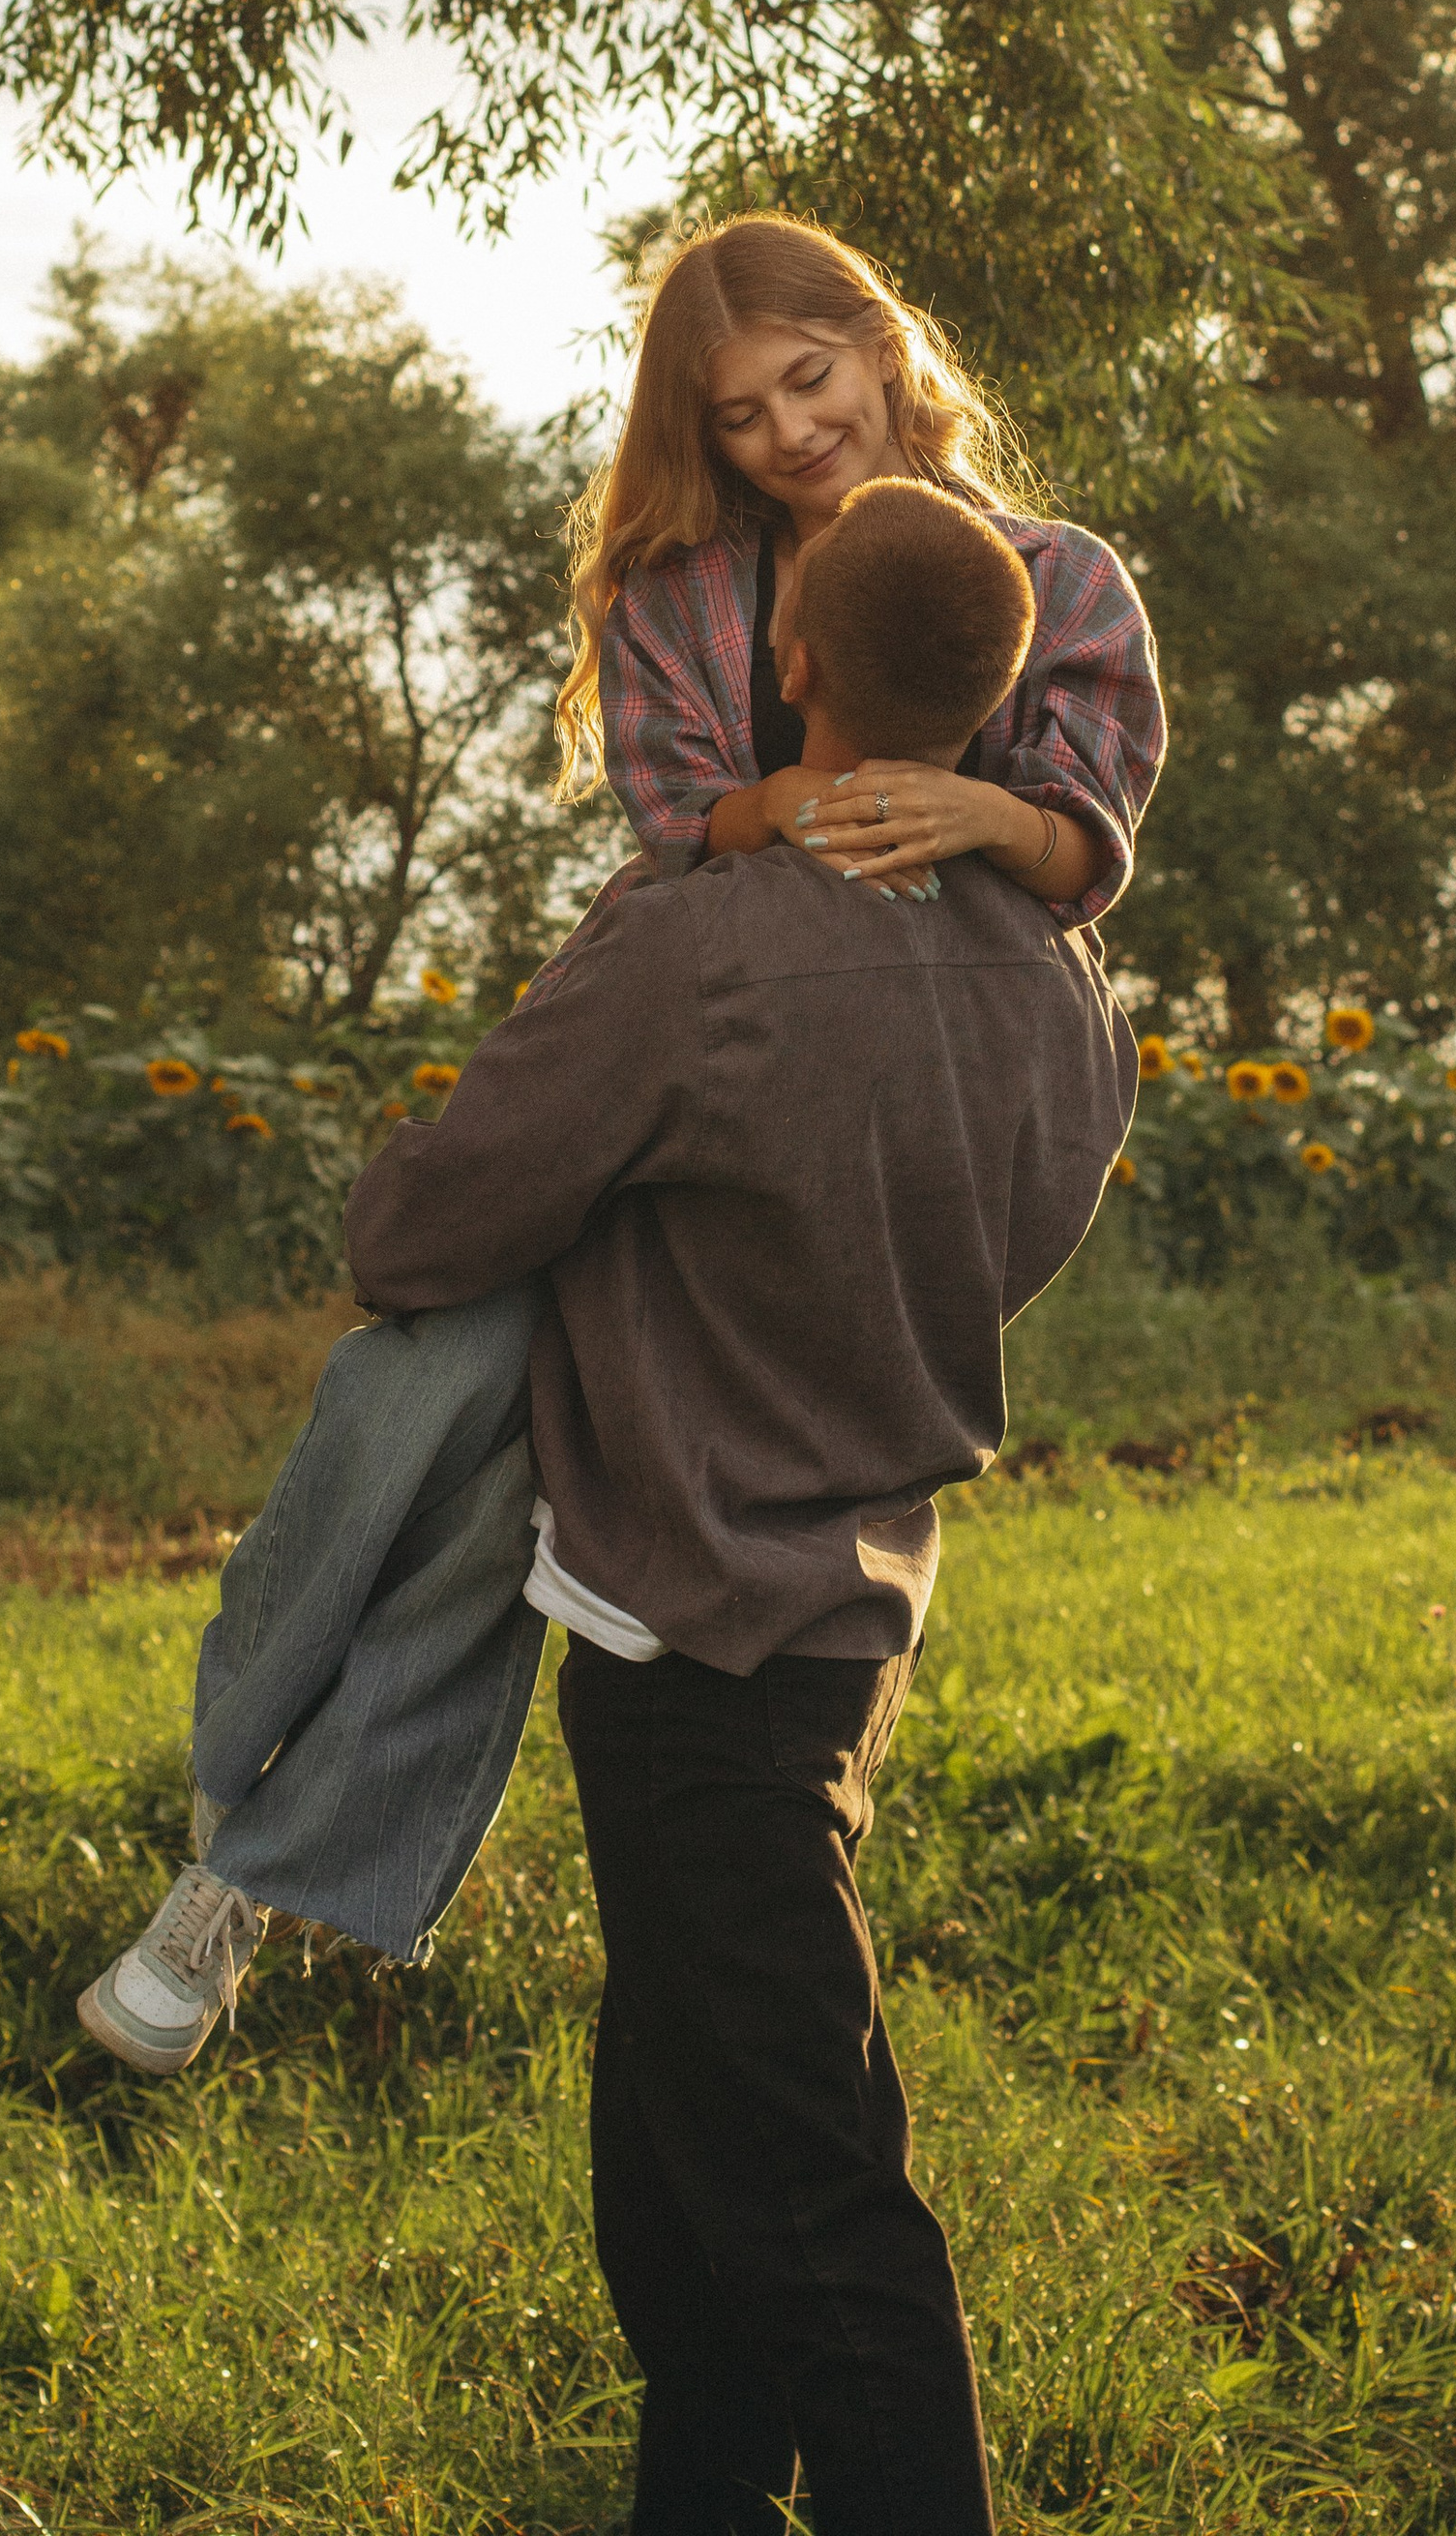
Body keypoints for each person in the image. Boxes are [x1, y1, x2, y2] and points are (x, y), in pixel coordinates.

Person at [76, 217, 1161, 2072]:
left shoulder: (1055, 579)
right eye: (738, 415)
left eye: (809, 382)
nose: (788, 432)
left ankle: (247, 1854)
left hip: (895, 1091)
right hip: (708, 1042)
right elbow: (680, 821)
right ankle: (242, 1858)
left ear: (882, 348)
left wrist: (969, 803)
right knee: (447, 1425)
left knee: (526, 1427)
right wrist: (798, 804)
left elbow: (1088, 843)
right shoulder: (686, 594)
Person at [352, 476, 1136, 2532]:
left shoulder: (694, 941)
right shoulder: (1060, 983)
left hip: (687, 1620)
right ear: (988, 703)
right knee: (681, 2108)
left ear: (787, 662)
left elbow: (441, 1219)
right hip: (862, 1593)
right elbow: (1009, 1237)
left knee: (806, 2175)